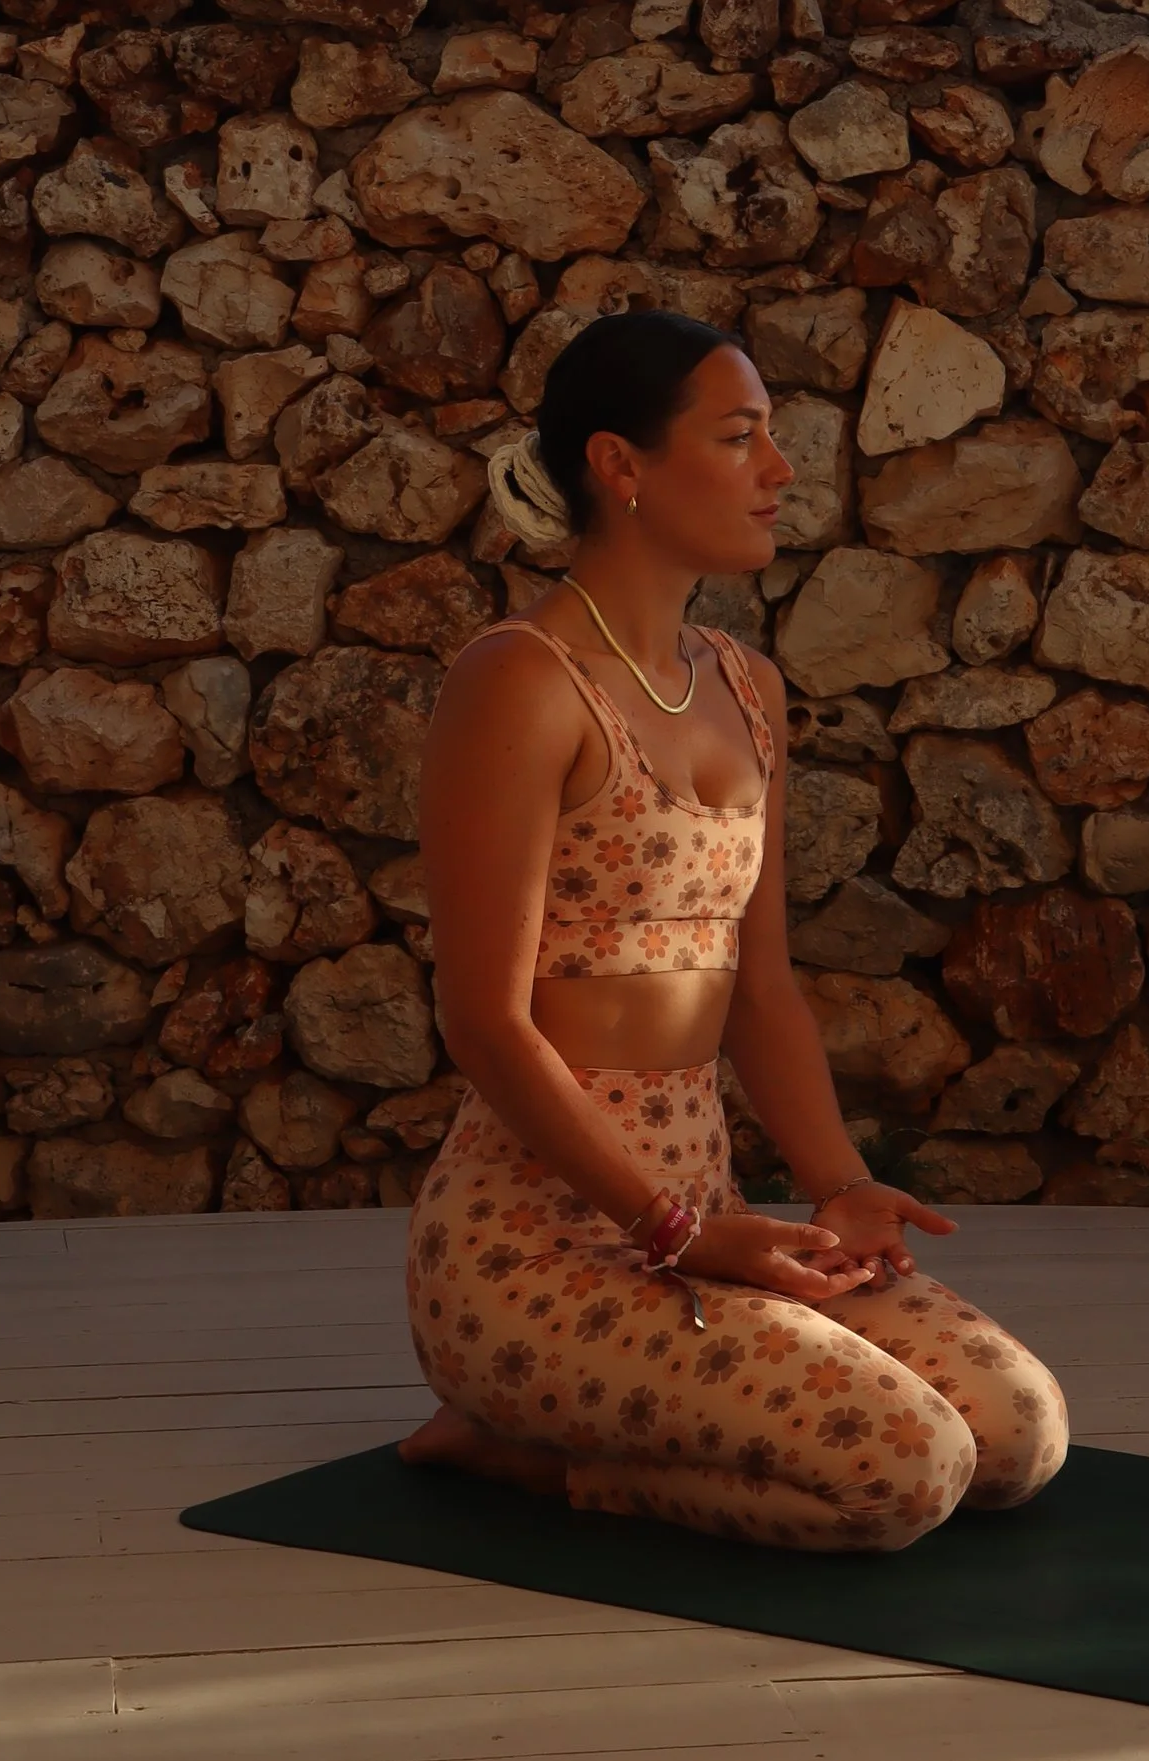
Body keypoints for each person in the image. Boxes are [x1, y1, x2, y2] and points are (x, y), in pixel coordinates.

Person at [402, 308, 1068, 1552]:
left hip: (710, 1221)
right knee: (906, 1473)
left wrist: (839, 1186)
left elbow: (760, 993)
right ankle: (523, 1456)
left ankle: (587, 1427)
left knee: (1017, 1433)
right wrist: (681, 1234)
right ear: (621, 466)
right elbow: (485, 1025)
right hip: (540, 1252)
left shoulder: (743, 685)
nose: (782, 470)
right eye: (740, 437)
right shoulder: (519, 679)